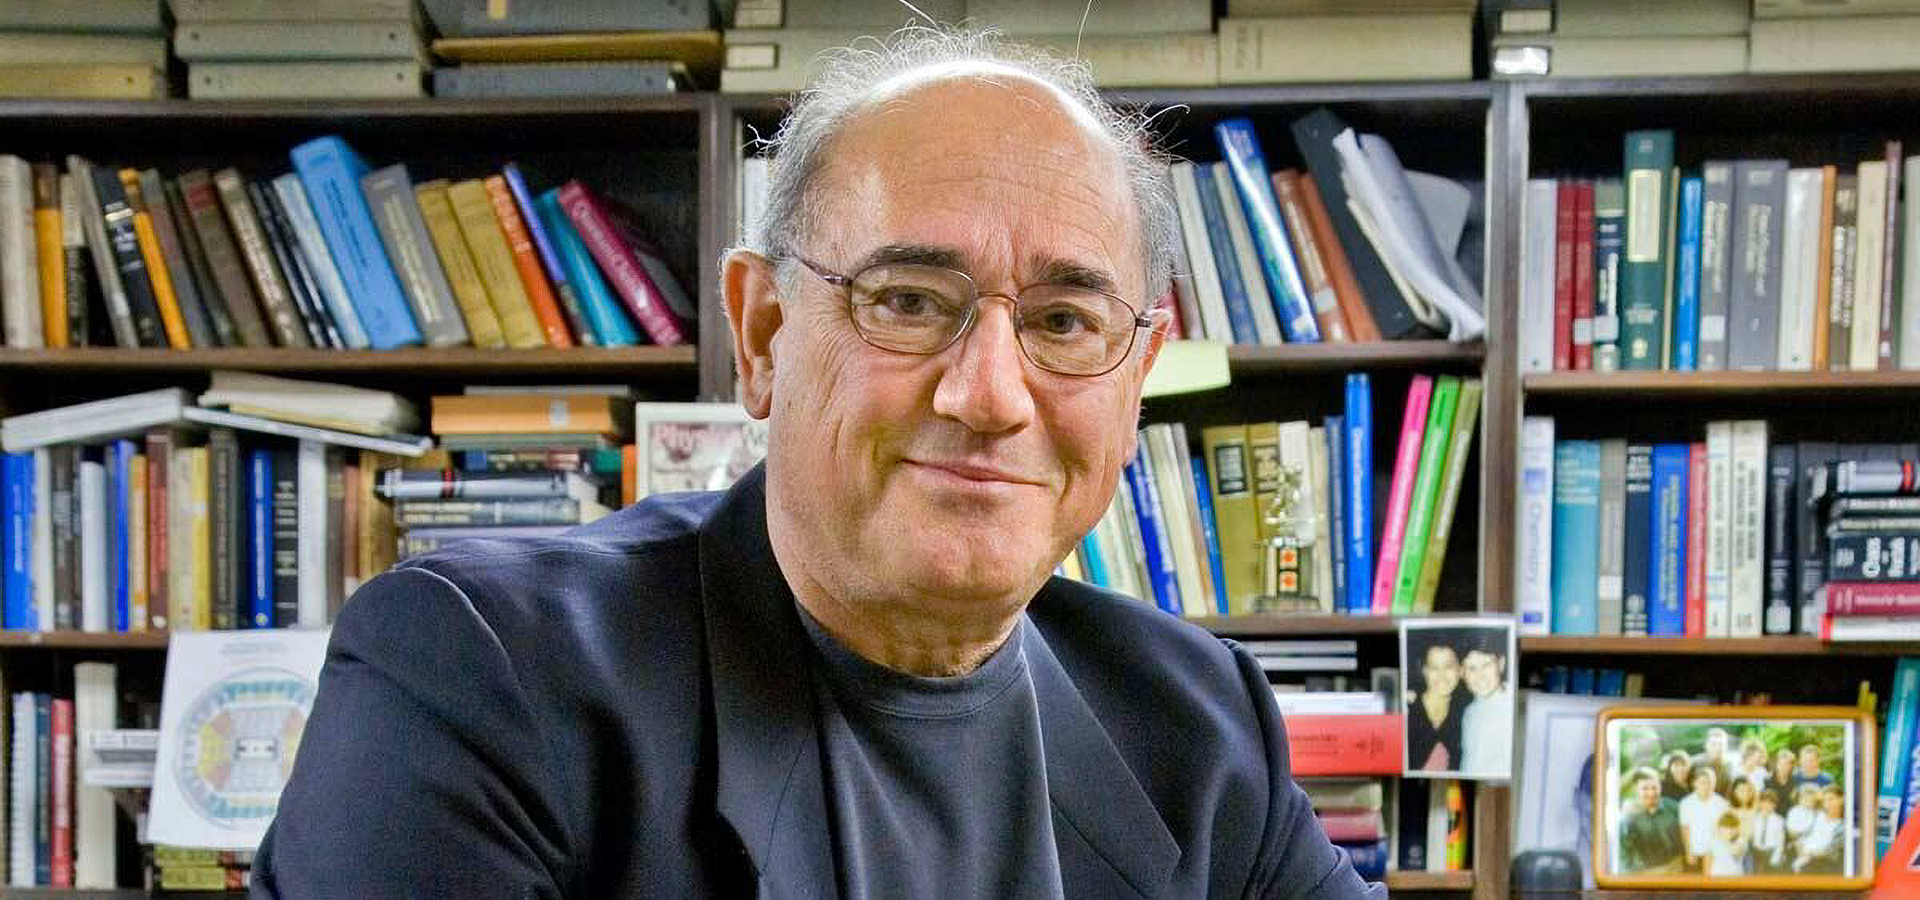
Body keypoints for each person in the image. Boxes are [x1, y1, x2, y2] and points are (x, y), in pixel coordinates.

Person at [248, 27, 1384, 900]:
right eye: (906, 300)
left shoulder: (1199, 722)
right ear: (762, 336)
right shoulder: (479, 674)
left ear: (1135, 377)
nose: (988, 394)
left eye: (1066, 321)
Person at [1407, 641, 1467, 771]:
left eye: (1449, 666)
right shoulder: (1408, 708)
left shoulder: (1464, 713)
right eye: (1434, 667)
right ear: (1425, 671)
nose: (1442, 675)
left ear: (1460, 671)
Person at [1457, 633, 1512, 777]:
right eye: (1471, 668)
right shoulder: (1469, 711)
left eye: (1486, 665)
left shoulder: (1512, 706)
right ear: (1462, 673)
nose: (1480, 676)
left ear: (1501, 664)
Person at [1618, 767, 1685, 874]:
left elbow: (1687, 837)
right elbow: (1625, 864)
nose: (1651, 793)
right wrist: (1659, 872)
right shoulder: (1627, 819)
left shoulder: (1673, 807)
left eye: (1654, 788)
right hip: (1646, 878)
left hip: (1678, 873)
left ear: (1660, 787)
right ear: (1636, 789)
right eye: (1645, 788)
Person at [1678, 768, 1730, 873]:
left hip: (1715, 853)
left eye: (1709, 782)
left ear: (1714, 783)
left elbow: (1724, 830)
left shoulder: (1722, 803)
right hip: (1695, 851)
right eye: (1702, 782)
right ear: (1695, 783)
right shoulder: (1686, 803)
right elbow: (1685, 829)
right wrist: (1689, 851)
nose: (1706, 786)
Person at [1793, 786, 1848, 874]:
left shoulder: (1844, 825)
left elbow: (1833, 852)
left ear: (1841, 799)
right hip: (1803, 857)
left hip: (1821, 863)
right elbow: (1803, 836)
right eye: (1825, 801)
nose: (1828, 803)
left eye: (1831, 799)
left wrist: (1810, 854)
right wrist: (1800, 847)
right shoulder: (1818, 816)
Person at [1748, 790, 1788, 874]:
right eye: (1764, 802)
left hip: (1770, 852)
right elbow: (1751, 836)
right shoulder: (1755, 818)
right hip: (1756, 852)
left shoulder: (1779, 820)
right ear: (1759, 803)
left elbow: (1780, 841)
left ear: (1775, 805)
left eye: (1770, 803)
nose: (1766, 805)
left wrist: (1775, 858)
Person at [1692, 728, 1736, 799]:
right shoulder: (1695, 763)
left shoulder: (1730, 765)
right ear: (1706, 745)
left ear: (1726, 747)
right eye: (1713, 744)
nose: (1718, 748)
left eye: (1721, 744)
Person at [1706, 811, 1750, 876]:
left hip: (1735, 877)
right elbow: (1708, 860)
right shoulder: (1714, 841)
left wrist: (1725, 839)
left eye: (1732, 827)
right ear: (1720, 827)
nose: (1729, 830)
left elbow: (1735, 851)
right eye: (1726, 827)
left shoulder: (1741, 841)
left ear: (1737, 828)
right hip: (1716, 876)